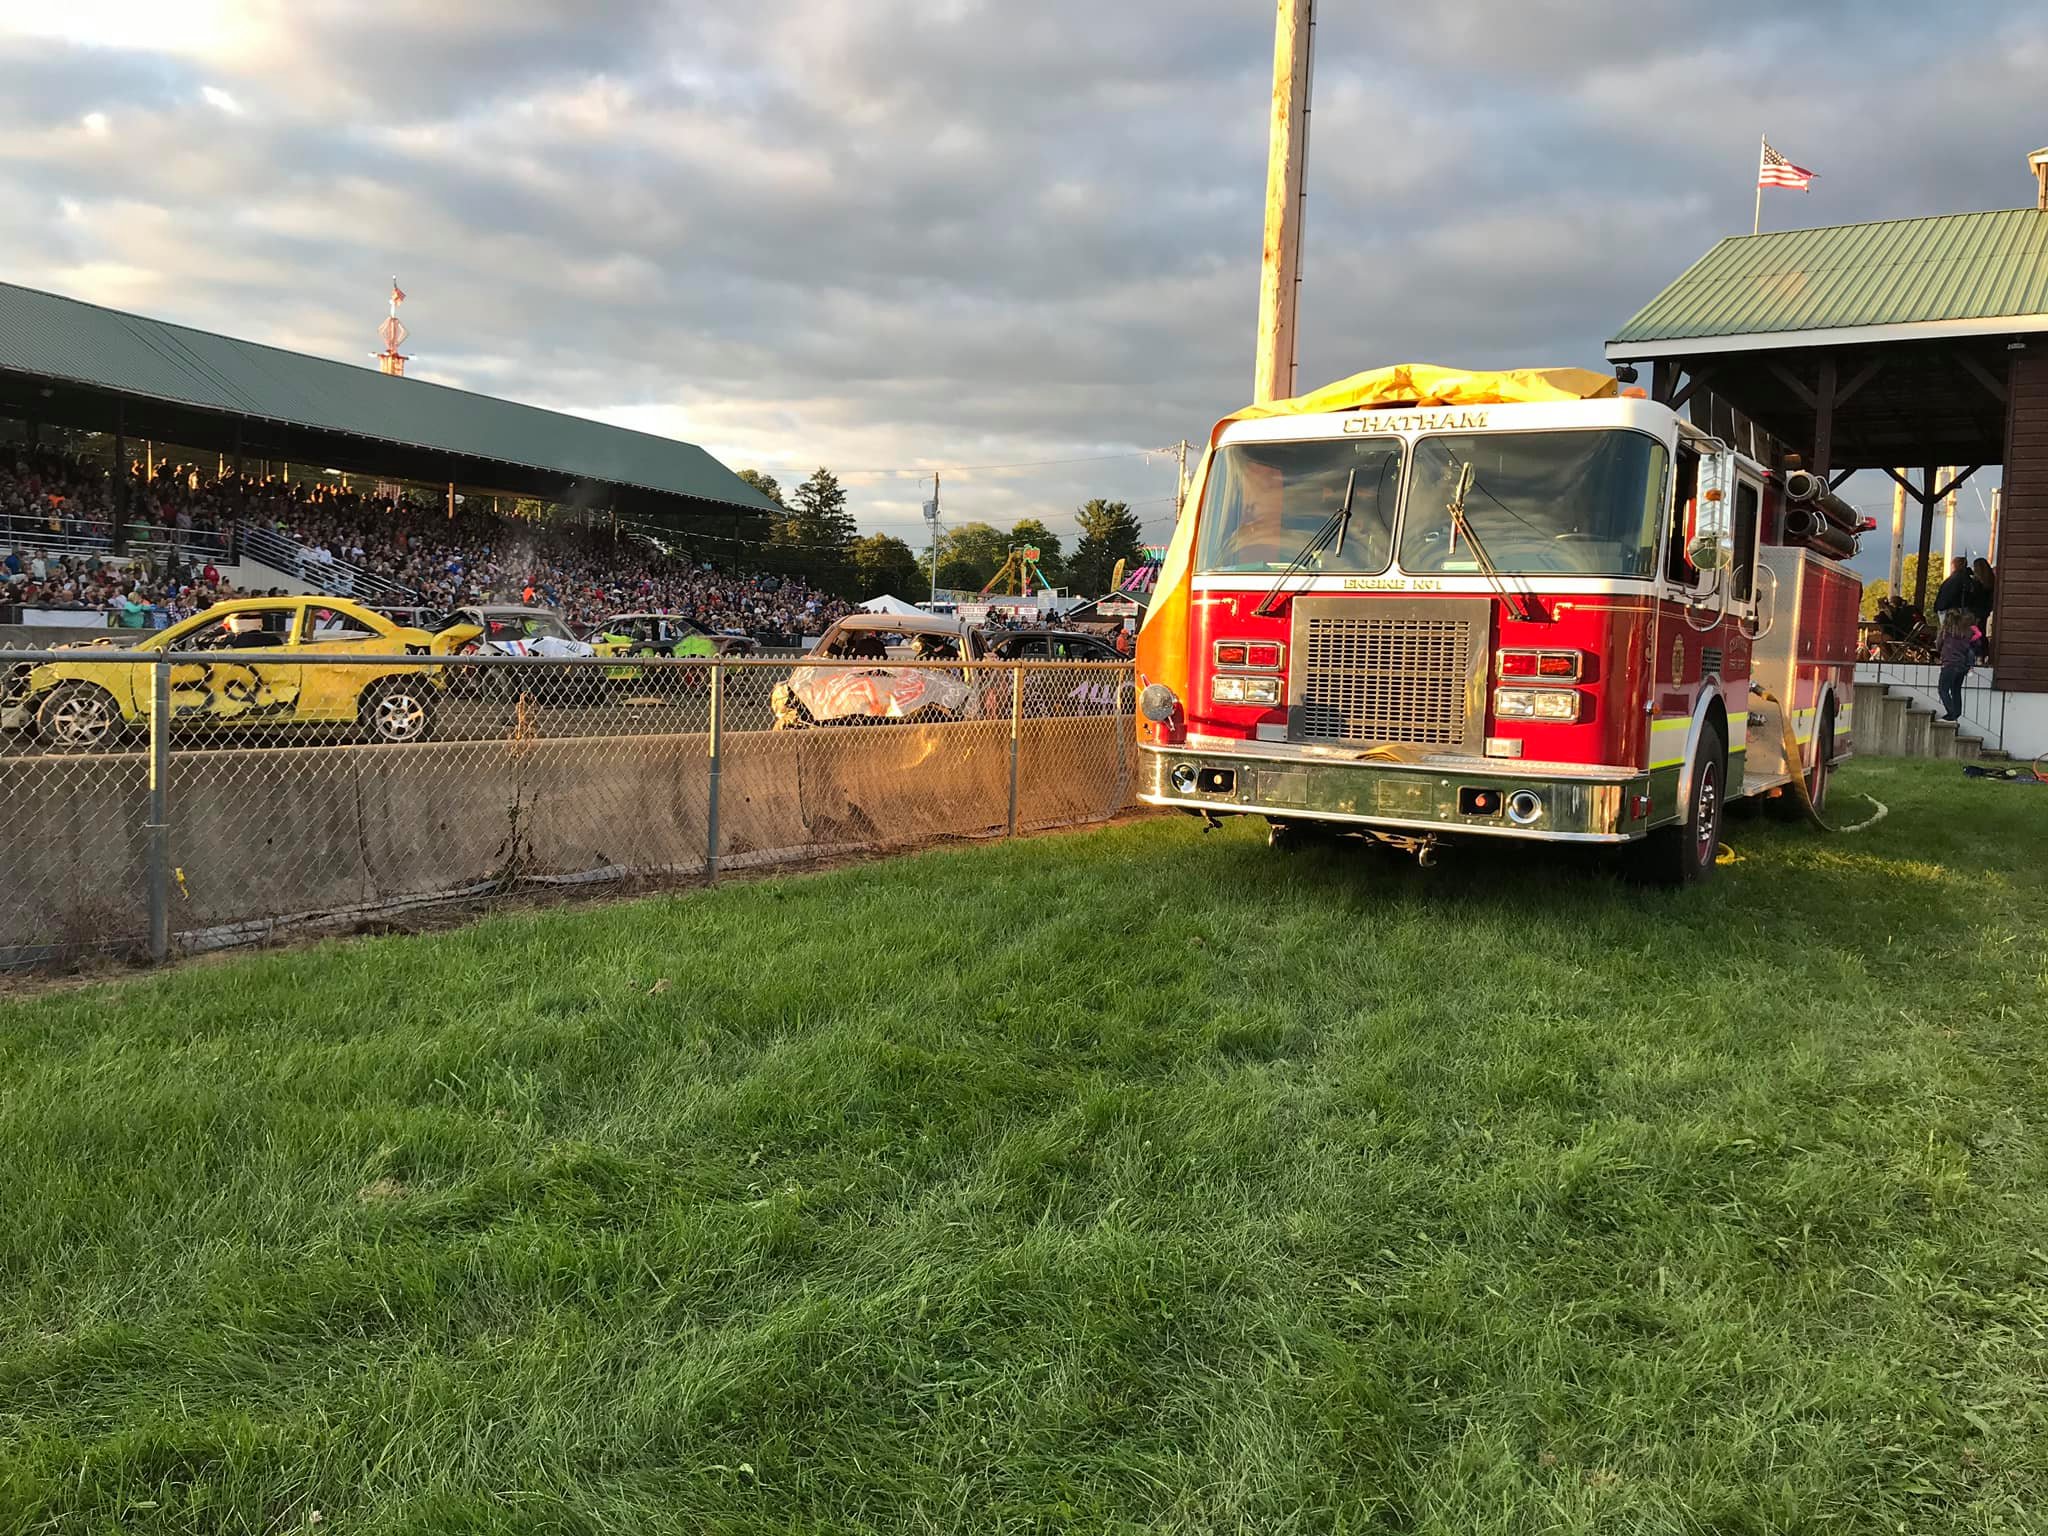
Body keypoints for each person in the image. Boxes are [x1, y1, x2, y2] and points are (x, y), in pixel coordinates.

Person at [1936, 609, 1974, 723]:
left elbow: (1938, 645)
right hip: (1961, 665)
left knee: (1943, 690)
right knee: (1956, 690)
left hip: (1949, 664)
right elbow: (1969, 649)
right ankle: (1957, 713)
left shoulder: (1945, 632)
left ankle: (1951, 715)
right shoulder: (1965, 633)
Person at [1968, 558, 1995, 659]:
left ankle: (1977, 655)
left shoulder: (1976, 584)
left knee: (1975, 635)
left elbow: (1972, 599)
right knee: (1981, 634)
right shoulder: (1991, 582)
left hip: (1976, 613)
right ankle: (1983, 655)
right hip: (1985, 612)